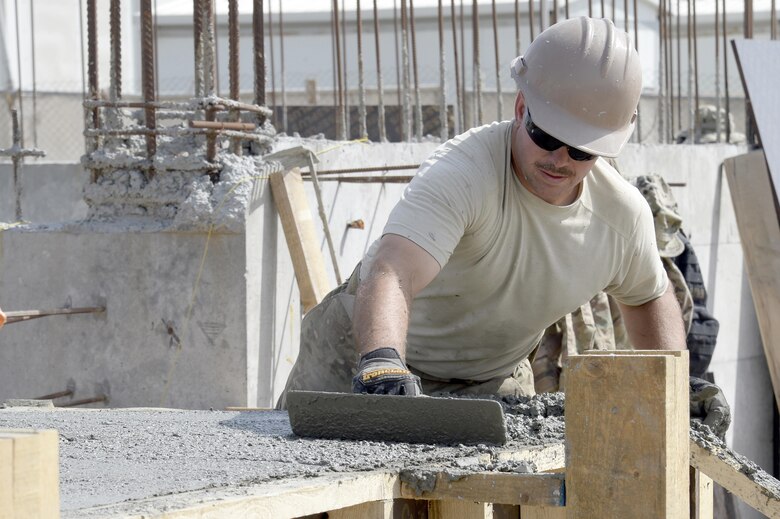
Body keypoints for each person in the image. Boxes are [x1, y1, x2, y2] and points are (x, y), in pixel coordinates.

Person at [278, 17, 730, 437]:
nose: (559, 159)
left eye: (581, 151)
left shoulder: (620, 216)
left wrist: (673, 382)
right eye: (547, 136)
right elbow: (394, 268)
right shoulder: (464, 173)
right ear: (520, 107)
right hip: (362, 356)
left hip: (489, 378)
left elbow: (648, 296)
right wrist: (380, 361)